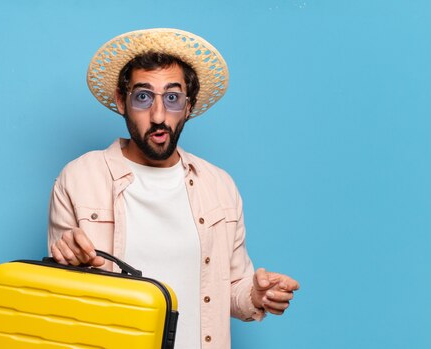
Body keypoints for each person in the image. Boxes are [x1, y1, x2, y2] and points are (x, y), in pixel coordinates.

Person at [48, 28, 299, 348]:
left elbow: (232, 289)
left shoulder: (219, 186)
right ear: (121, 102)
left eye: (172, 98)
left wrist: (257, 294)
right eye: (143, 96)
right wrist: (67, 262)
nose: (158, 115)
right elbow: (59, 305)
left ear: (188, 106)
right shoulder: (80, 178)